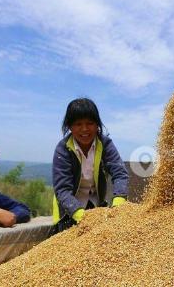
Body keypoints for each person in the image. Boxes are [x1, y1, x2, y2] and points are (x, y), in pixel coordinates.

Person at [52, 98, 129, 232]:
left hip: (96, 206)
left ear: (97, 125)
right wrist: (81, 216)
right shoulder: (63, 149)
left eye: (90, 123)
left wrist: (119, 201)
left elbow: (120, 173)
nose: (85, 129)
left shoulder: (105, 144)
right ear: (69, 126)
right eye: (78, 124)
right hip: (69, 211)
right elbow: (62, 190)